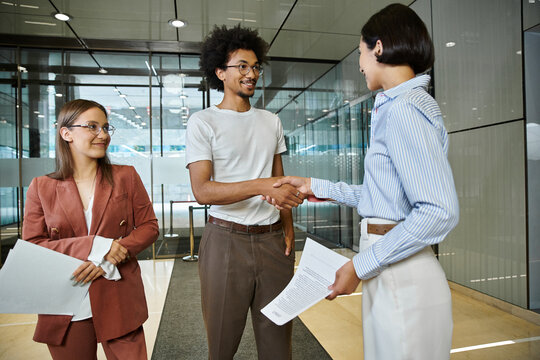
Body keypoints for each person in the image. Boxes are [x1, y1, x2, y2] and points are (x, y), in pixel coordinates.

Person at [269, 4, 459, 360]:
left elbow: (438, 211)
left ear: (380, 48)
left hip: (401, 275)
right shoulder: (398, 106)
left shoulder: (404, 109)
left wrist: (357, 266)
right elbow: (386, 198)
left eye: (360, 53)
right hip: (392, 267)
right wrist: (315, 185)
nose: (359, 64)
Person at [185, 24, 303, 360]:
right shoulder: (202, 122)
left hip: (273, 243)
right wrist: (260, 185)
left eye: (255, 67)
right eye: (242, 67)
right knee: (222, 346)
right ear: (220, 72)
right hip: (225, 242)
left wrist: (288, 229)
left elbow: (279, 182)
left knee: (279, 345)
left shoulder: (271, 121)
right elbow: (203, 191)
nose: (251, 74)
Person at [22, 99, 158, 360]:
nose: (103, 135)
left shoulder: (125, 176)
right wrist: (97, 245)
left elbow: (149, 226)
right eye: (92, 127)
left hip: (118, 292)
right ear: (66, 133)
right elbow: (33, 245)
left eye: (106, 127)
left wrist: (111, 254)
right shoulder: (41, 187)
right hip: (65, 298)